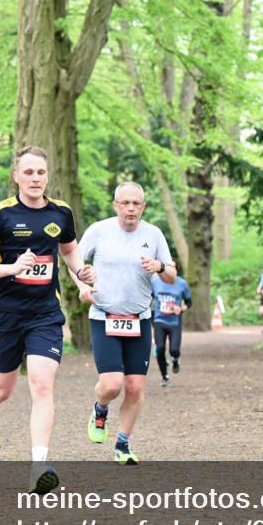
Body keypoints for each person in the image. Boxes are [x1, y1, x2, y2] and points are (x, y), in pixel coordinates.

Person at [0, 145, 96, 494]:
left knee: (42, 385)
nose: (35, 178)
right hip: (6, 314)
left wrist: (82, 279)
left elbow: (69, 251)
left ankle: (39, 465)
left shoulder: (61, 213)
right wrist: (11, 268)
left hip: (44, 314)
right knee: (2, 389)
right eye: (29, 172)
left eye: (41, 172)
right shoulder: (1, 214)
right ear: (17, 176)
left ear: (47, 175)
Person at [79, 181, 176, 465]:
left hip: (139, 319)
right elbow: (75, 262)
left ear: (143, 206)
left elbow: (171, 273)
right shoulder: (99, 230)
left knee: (134, 387)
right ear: (116, 205)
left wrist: (158, 267)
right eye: (125, 203)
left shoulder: (154, 234)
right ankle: (100, 409)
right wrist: (82, 287)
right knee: (111, 385)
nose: (131, 208)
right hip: (104, 317)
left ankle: (122, 444)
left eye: (136, 203)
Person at [152, 265, 191, 386]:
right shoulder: (155, 282)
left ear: (176, 270)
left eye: (173, 267)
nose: (170, 270)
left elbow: (189, 302)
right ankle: (165, 377)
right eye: (168, 267)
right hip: (159, 320)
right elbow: (148, 297)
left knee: (174, 350)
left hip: (174, 322)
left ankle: (175, 360)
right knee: (160, 349)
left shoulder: (182, 284)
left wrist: (181, 308)